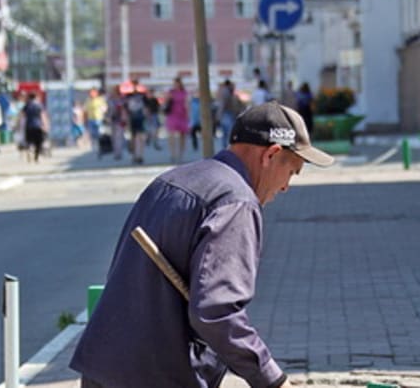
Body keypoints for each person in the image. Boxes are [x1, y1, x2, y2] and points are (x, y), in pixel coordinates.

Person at [70, 101, 335, 388]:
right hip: (155, 375)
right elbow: (217, 311)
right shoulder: (236, 202)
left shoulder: (171, 180)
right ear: (271, 154)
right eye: (292, 172)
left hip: (103, 365)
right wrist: (271, 378)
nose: (285, 187)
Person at [164, 76, 190, 164]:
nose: (175, 85)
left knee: (183, 136)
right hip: (172, 115)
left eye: (177, 83)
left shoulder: (184, 92)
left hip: (182, 115)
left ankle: (181, 155)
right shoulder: (170, 92)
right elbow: (166, 103)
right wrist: (168, 98)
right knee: (171, 135)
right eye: (174, 83)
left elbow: (187, 104)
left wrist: (188, 116)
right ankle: (173, 154)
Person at [20, 92, 50, 163]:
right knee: (38, 143)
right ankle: (37, 157)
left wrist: (20, 126)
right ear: (36, 97)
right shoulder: (39, 105)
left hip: (29, 126)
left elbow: (22, 116)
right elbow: (42, 116)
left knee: (29, 142)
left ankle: (30, 152)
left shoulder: (26, 105)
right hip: (38, 126)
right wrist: (46, 125)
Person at [216, 78, 245, 149]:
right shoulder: (226, 92)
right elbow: (223, 105)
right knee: (228, 133)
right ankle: (227, 148)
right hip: (227, 114)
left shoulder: (227, 92)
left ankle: (225, 148)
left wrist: (219, 115)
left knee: (226, 133)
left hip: (226, 114)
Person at [124, 80, 148, 164]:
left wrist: (146, 117)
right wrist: (126, 119)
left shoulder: (142, 95)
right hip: (132, 118)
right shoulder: (128, 96)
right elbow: (126, 108)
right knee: (133, 137)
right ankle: (134, 155)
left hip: (140, 118)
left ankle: (140, 155)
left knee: (141, 137)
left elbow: (146, 107)